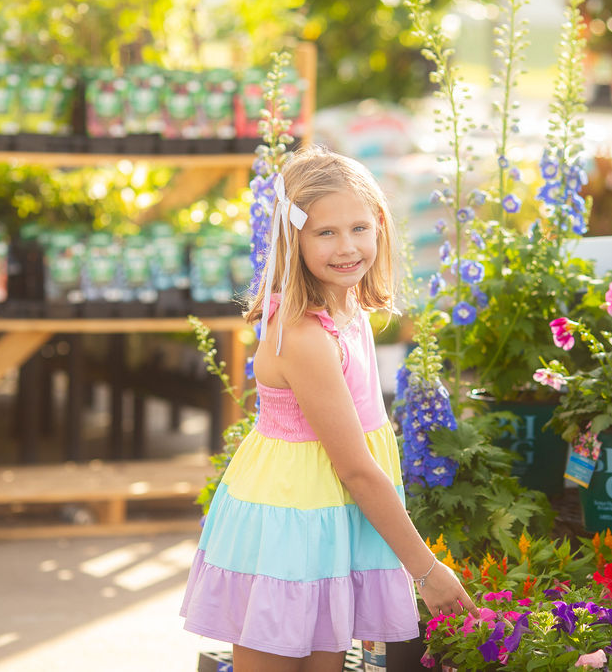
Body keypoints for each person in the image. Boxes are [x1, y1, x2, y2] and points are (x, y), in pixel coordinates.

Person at [180, 145, 476, 671]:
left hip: (329, 516)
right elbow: (357, 469)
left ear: (381, 225)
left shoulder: (350, 307)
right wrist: (426, 571)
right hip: (291, 519)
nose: (347, 248)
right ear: (293, 239)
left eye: (359, 228)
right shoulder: (304, 335)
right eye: (325, 233)